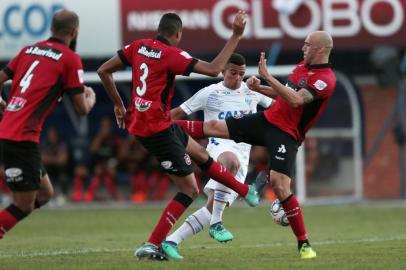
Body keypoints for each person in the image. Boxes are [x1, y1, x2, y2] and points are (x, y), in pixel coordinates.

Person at [97, 11, 266, 260]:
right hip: (156, 129)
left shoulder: (138, 46)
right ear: (178, 34)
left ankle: (246, 190)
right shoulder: (172, 55)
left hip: (153, 122)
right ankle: (153, 243)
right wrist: (236, 35)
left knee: (199, 152)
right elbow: (214, 69)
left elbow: (103, 71)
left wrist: (119, 105)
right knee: (189, 189)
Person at [176, 31, 336, 259]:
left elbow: (296, 100)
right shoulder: (302, 66)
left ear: (320, 50)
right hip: (267, 121)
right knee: (213, 126)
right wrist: (259, 87)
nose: (303, 48)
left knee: (280, 187)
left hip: (286, 134)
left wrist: (267, 77)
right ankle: (162, 126)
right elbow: (284, 95)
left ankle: (304, 244)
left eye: (307, 45)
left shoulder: (326, 79)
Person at [161, 53, 273, 259]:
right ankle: (217, 224)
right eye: (233, 73)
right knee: (229, 160)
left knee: (211, 206)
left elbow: (278, 108)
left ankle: (170, 242)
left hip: (242, 155)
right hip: (217, 147)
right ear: (223, 71)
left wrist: (265, 86)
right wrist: (153, 123)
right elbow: (177, 113)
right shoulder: (210, 92)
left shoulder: (252, 91)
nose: (238, 78)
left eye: (241, 74)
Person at [0, 9, 96, 240]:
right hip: (20, 139)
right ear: (75, 32)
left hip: (12, 133)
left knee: (45, 193)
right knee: (23, 204)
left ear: (51, 29)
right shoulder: (70, 59)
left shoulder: (28, 50)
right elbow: (81, 109)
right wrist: (90, 97)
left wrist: (3, 103)